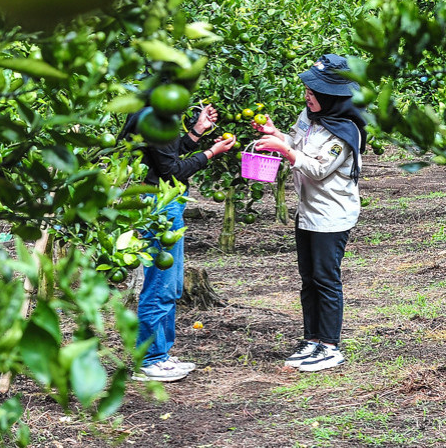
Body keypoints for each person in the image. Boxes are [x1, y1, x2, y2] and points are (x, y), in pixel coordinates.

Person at [253, 53, 367, 373]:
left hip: (331, 215)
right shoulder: (309, 115)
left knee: (326, 279)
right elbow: (295, 141)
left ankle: (330, 346)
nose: (308, 95)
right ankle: (312, 339)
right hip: (308, 212)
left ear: (332, 96)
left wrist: (285, 151)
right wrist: (276, 134)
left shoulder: (346, 131)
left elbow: (318, 169)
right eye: (308, 89)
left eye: (314, 92)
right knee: (309, 279)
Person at [128, 102, 235, 383]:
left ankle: (160, 354)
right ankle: (150, 359)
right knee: (160, 284)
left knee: (170, 284)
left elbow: (167, 155)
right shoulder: (154, 118)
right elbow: (172, 170)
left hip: (165, 202)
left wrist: (198, 132)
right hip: (158, 205)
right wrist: (211, 153)